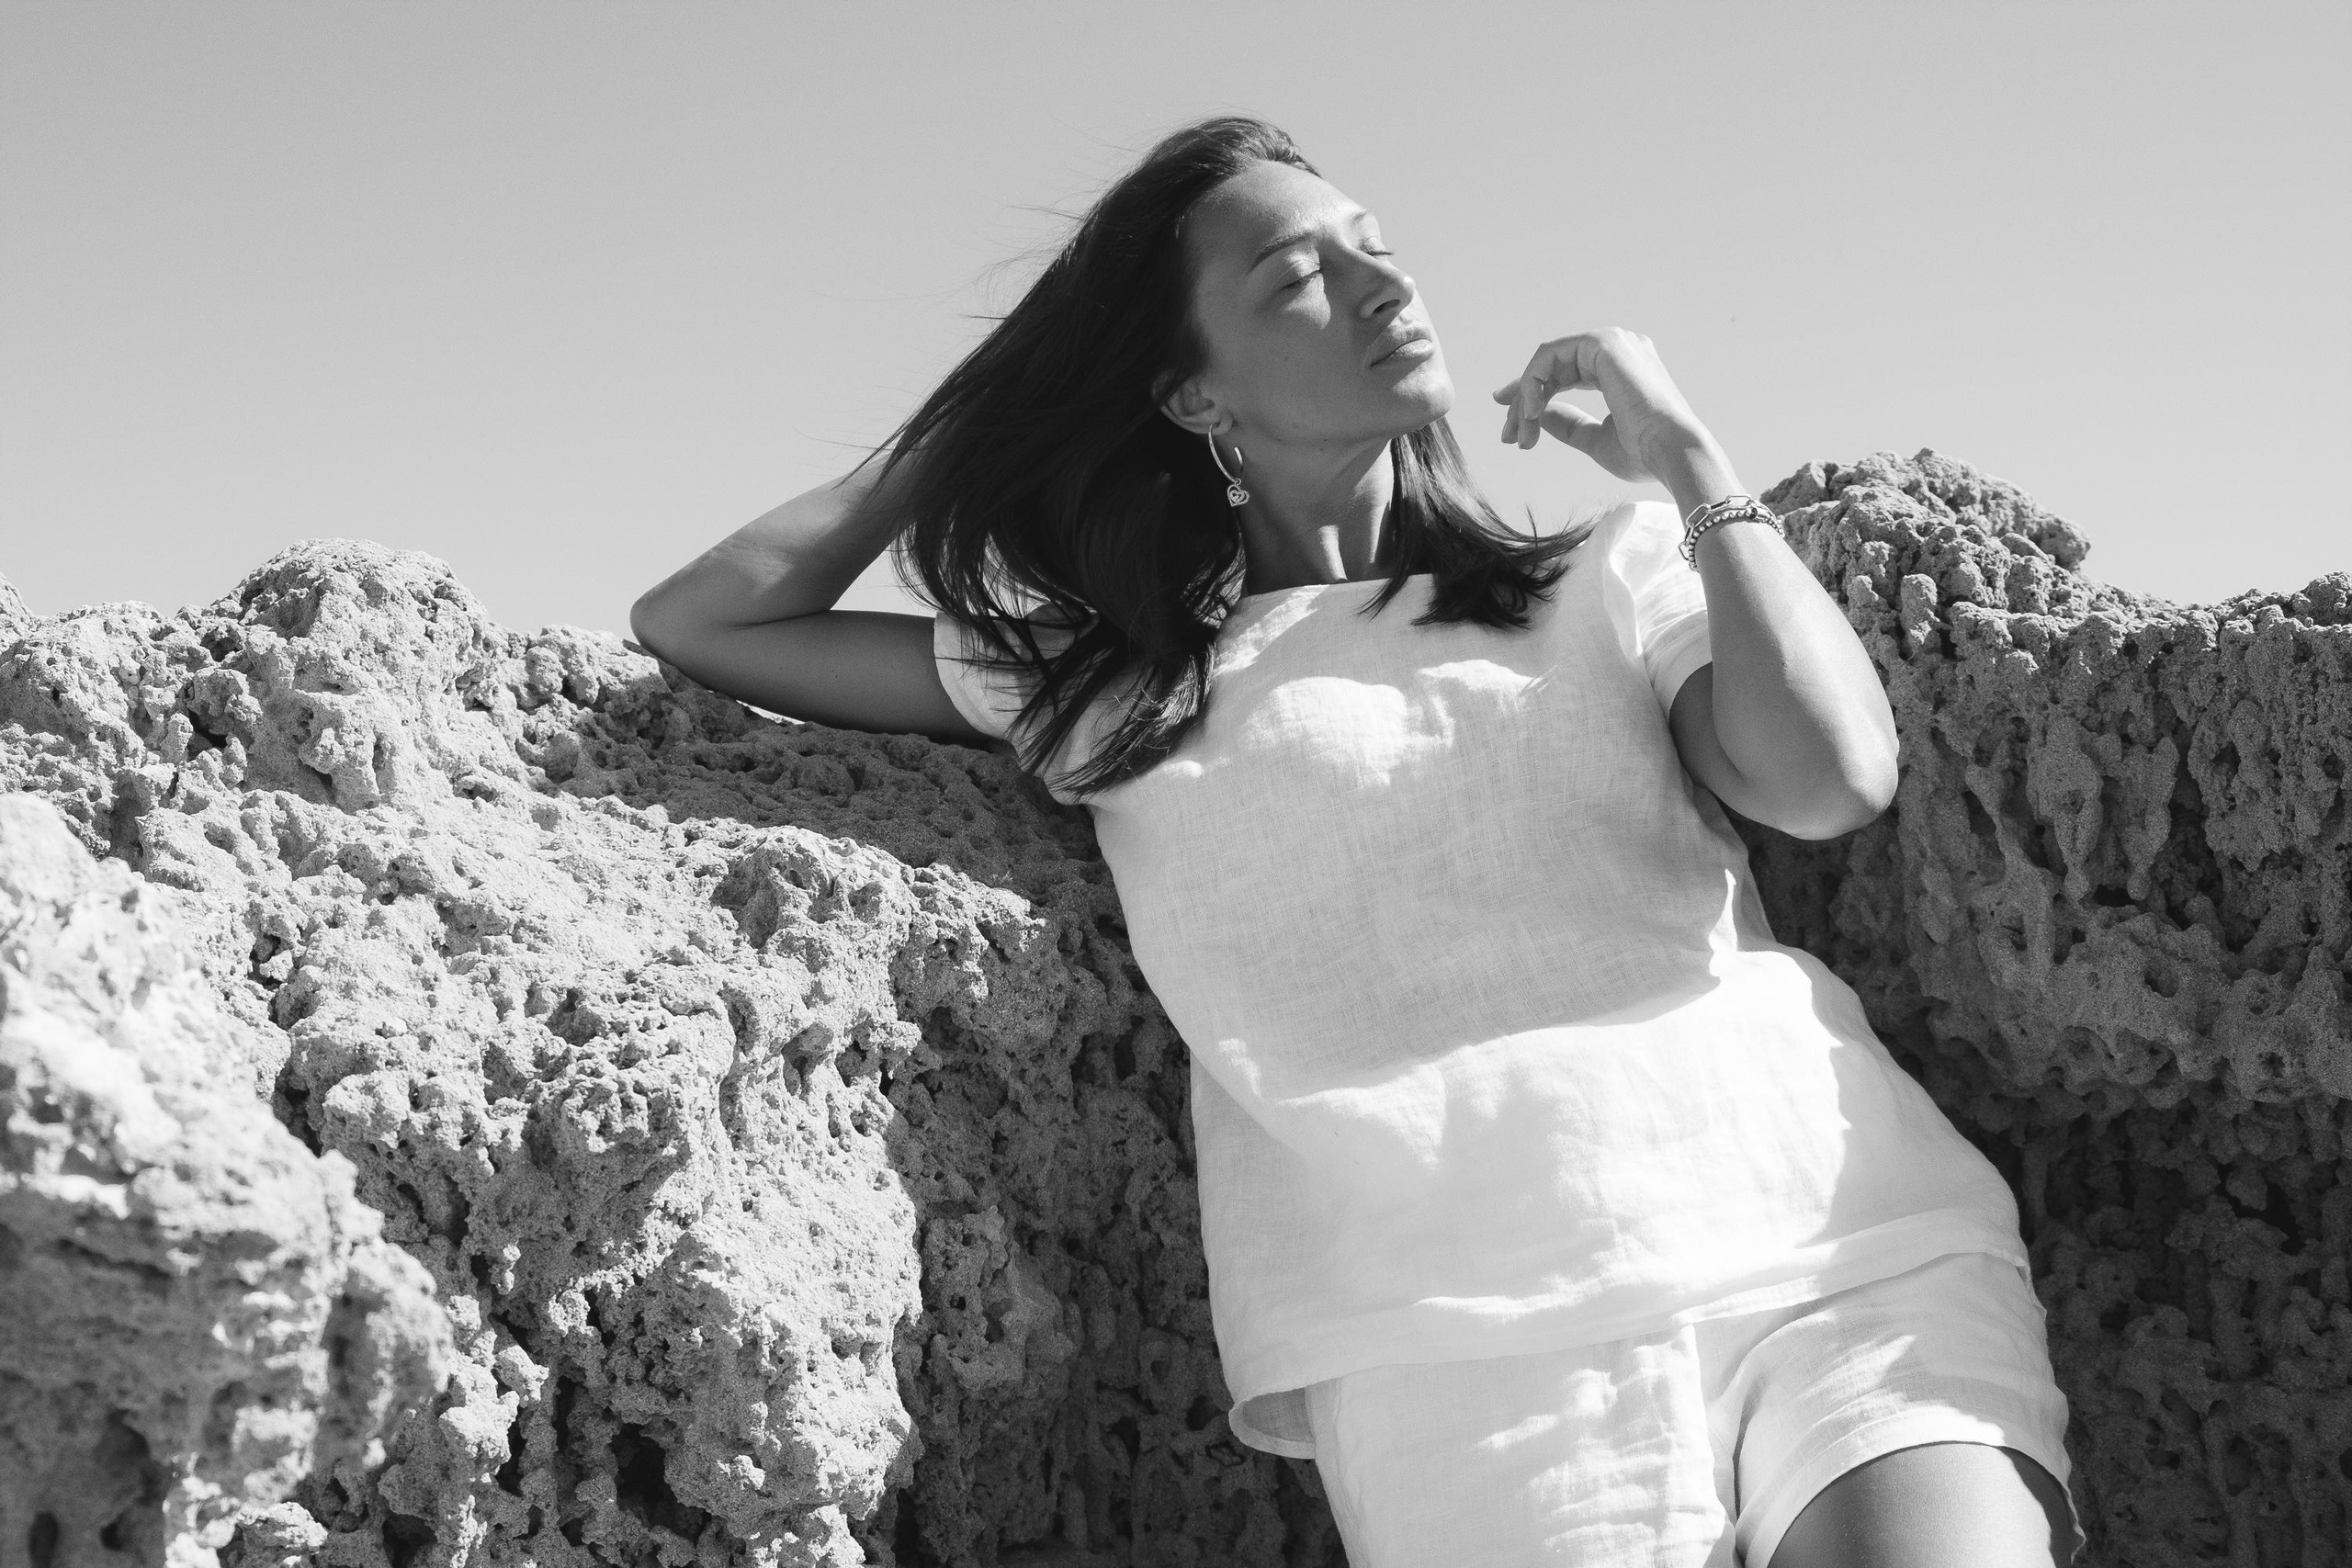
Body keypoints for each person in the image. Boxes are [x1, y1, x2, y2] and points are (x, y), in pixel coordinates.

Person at [629, 115, 2086, 1568]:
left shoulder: (1598, 579)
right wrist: (990, 411)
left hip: (1837, 1229)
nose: (1385, 288)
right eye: (1294, 278)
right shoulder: (1111, 682)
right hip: (1446, 1336)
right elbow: (706, 618)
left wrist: (1687, 457)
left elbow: (1830, 777)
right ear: (1193, 393)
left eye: (1378, 249)